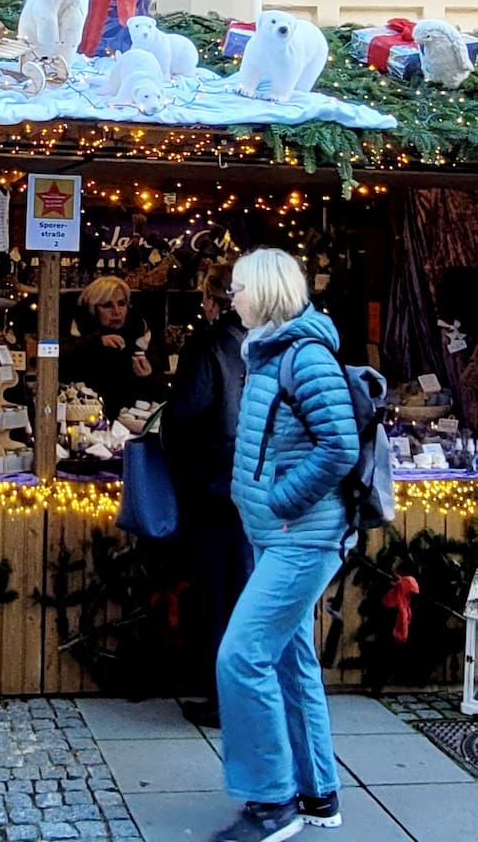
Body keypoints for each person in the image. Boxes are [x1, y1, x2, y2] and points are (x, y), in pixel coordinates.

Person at [209, 248, 359, 842]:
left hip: (301, 536)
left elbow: (339, 446)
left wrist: (280, 499)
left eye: (240, 288)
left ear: (266, 291)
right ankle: (318, 794)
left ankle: (272, 802)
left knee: (241, 656)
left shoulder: (304, 356)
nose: (232, 297)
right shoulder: (269, 352)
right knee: (294, 665)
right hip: (279, 537)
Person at [162, 262, 251, 727]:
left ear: (215, 301)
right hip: (255, 486)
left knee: (217, 594)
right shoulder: (267, 344)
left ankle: (223, 699)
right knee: (243, 590)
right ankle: (244, 697)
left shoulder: (209, 345)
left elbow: (185, 414)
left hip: (213, 484)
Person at [61, 275, 159, 422]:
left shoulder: (139, 336)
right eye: (107, 305)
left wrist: (148, 376)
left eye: (122, 304)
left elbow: (160, 392)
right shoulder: (77, 333)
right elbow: (58, 361)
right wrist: (95, 342)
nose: (117, 311)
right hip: (85, 420)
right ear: (93, 309)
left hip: (130, 423)